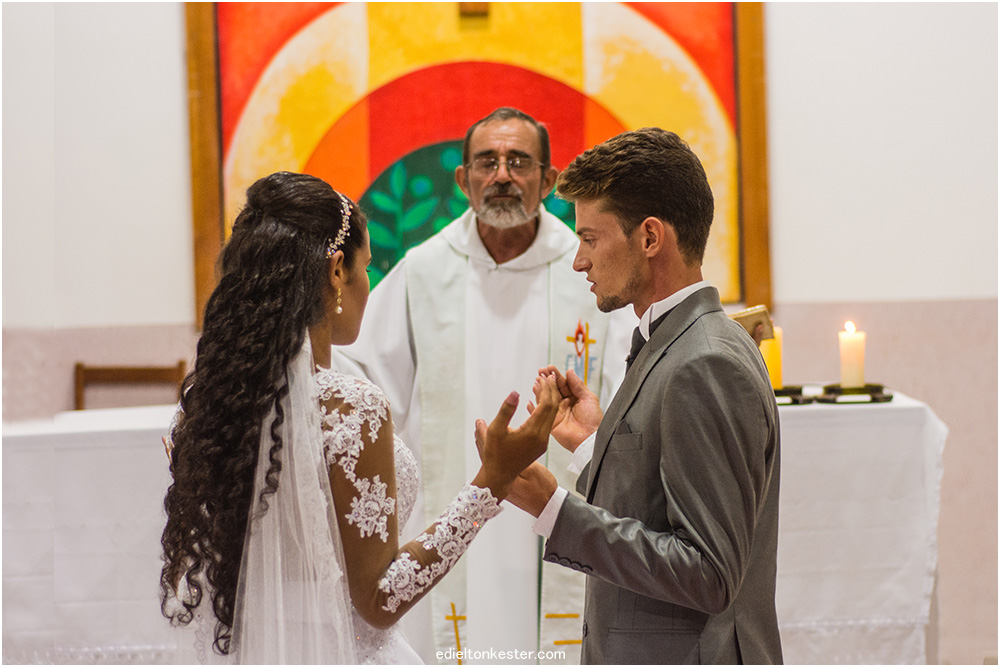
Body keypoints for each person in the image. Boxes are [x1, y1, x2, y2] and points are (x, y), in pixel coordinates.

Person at [158, 171, 561, 664]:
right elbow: (379, 600)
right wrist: (490, 483)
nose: (368, 283)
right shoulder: (351, 407)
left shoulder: (209, 404)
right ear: (335, 271)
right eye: (366, 266)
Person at [331, 107, 634, 661]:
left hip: (555, 515)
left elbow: (621, 394)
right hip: (448, 516)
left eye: (518, 161)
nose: (501, 175)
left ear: (548, 179)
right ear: (462, 178)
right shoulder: (422, 273)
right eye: (486, 161)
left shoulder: (587, 270)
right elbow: (359, 381)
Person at [505, 128, 783, 664]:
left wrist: (554, 509)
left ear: (650, 238)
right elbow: (659, 509)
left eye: (589, 239)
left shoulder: (706, 361)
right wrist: (591, 446)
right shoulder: (674, 340)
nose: (578, 262)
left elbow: (708, 572)